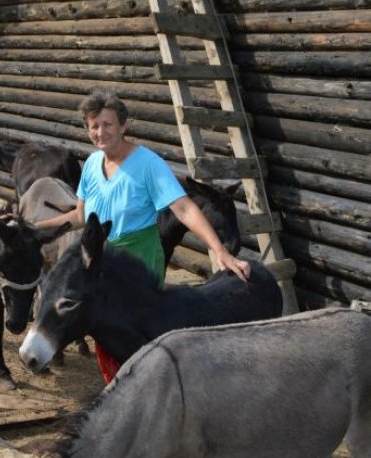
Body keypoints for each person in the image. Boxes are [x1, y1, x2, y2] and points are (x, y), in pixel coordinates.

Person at [36, 89, 250, 383]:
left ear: (123, 126)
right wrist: (38, 227)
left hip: (138, 260)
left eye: (108, 124)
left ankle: (148, 393)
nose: (100, 132)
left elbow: (184, 207)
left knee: (138, 339)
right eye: (94, 126)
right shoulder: (91, 167)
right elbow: (80, 216)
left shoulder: (147, 163)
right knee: (105, 331)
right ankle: (117, 391)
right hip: (104, 261)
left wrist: (220, 252)